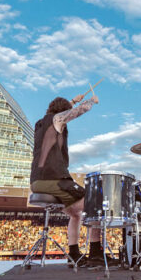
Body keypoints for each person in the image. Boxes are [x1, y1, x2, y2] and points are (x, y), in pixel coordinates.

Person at [29, 92, 105, 267]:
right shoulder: (56, 119)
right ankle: (95, 253)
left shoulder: (40, 123)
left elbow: (60, 112)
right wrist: (90, 102)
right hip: (53, 178)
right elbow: (75, 112)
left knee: (76, 213)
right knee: (95, 203)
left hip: (37, 181)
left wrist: (71, 101)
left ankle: (74, 255)